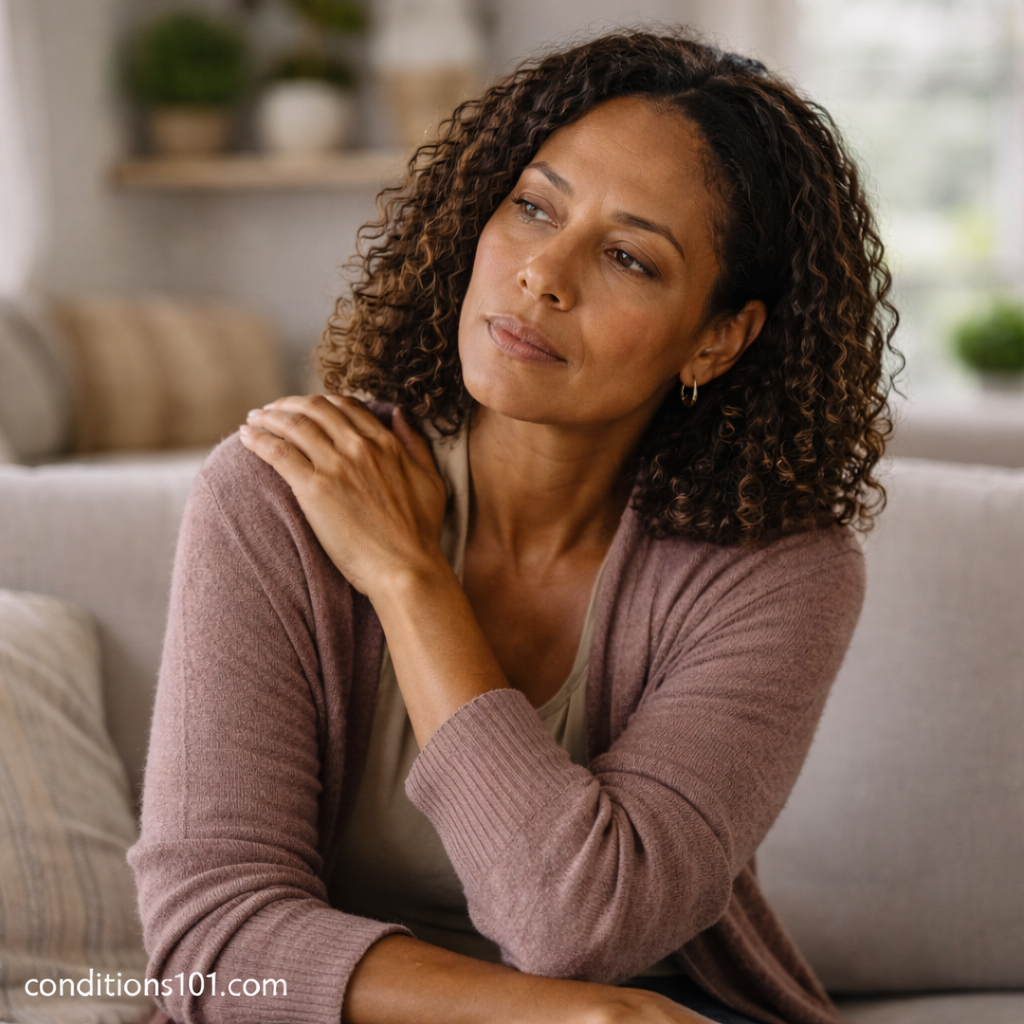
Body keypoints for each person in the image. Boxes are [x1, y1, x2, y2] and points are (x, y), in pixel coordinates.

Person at [129, 30, 898, 1024]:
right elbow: (210, 941)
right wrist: (568, 1015)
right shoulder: (281, 493)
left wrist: (411, 583)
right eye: (532, 206)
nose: (542, 273)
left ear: (717, 337)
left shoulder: (779, 571)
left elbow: (581, 925)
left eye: (627, 256)